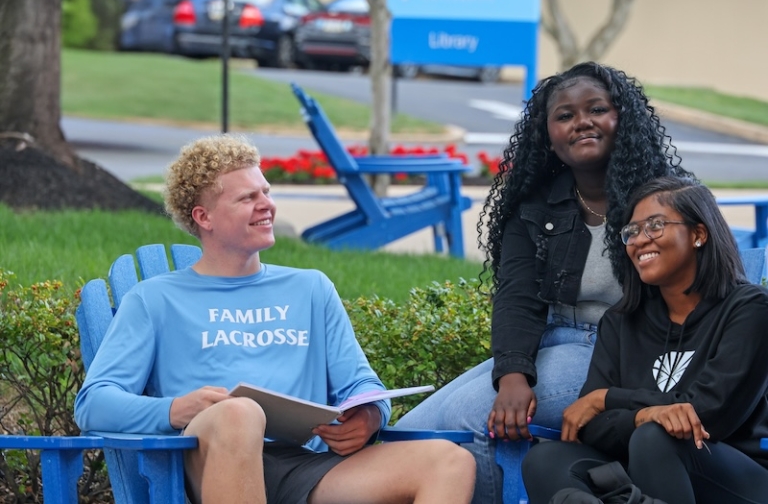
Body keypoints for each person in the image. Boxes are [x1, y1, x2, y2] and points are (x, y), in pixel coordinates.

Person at [74, 134, 476, 504]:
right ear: (204, 217)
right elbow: (94, 403)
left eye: (265, 191)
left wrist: (369, 416)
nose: (266, 204)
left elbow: (361, 384)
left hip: (304, 465)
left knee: (448, 461)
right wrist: (174, 409)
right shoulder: (154, 299)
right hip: (207, 457)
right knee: (240, 412)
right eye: (247, 198)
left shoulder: (311, 289)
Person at [394, 61, 695, 503]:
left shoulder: (666, 201)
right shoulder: (536, 207)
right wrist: (513, 374)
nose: (582, 122)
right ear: (549, 138)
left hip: (621, 355)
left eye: (596, 109)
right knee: (405, 433)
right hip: (553, 344)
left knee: (469, 416)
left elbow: (703, 295)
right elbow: (517, 297)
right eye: (565, 116)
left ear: (622, 120)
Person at [522, 176, 768, 503]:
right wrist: (640, 414)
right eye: (632, 231)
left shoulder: (750, 309)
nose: (639, 240)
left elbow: (709, 414)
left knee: (656, 438)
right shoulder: (622, 321)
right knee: (545, 459)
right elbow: (590, 426)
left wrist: (607, 399)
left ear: (698, 234)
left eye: (655, 225)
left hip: (733, 478)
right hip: (643, 472)